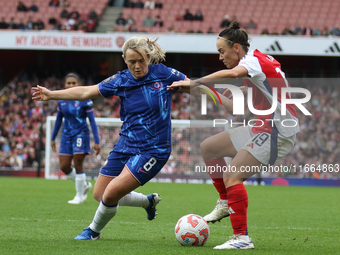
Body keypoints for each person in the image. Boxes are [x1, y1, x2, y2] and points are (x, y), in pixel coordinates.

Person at [32, 36, 188, 240]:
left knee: (112, 192)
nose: (137, 66)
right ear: (124, 59)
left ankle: (93, 232)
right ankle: (147, 202)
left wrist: (220, 89)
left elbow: (192, 84)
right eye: (132, 62)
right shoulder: (121, 79)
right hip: (126, 144)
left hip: (154, 150)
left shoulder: (164, 74)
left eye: (141, 60)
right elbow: (87, 90)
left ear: (148, 57)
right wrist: (52, 94)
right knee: (100, 194)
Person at [167, 21, 299, 250]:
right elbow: (234, 109)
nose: (220, 57)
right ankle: (225, 201)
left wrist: (196, 82)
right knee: (209, 147)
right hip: (264, 126)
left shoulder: (252, 63)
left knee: (232, 175)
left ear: (236, 48)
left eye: (222, 51)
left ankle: (242, 238)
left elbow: (231, 73)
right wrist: (202, 90)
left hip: (277, 130)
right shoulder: (257, 68)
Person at [49, 73, 101, 204]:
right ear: (64, 85)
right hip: (66, 135)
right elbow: (58, 120)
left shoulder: (85, 99)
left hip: (81, 134)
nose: (71, 85)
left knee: (78, 164)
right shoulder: (62, 100)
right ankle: (83, 185)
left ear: (78, 84)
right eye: (68, 83)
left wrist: (97, 140)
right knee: (64, 166)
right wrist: (53, 137)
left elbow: (92, 121)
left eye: (74, 83)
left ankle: (79, 196)